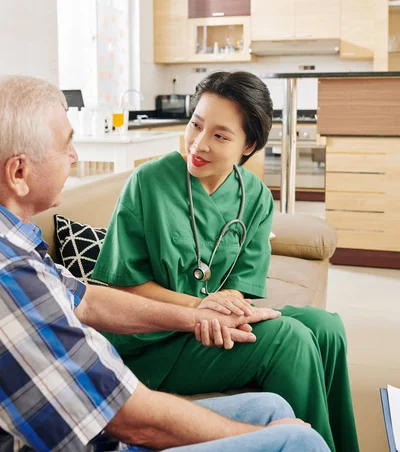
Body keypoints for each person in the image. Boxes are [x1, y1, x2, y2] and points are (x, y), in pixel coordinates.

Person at [0, 74, 331, 452]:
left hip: (166, 352)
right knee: (289, 358)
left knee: (319, 332)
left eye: (221, 135)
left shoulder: (23, 249)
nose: (76, 157)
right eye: (67, 145)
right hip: (137, 373)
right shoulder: (14, 276)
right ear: (20, 173)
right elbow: (131, 421)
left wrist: (205, 313)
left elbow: (86, 299)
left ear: (248, 145)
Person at [93, 71, 359, 452]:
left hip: (208, 331)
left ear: (248, 145)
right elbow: (123, 285)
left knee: (326, 326)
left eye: (220, 135)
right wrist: (202, 307)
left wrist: (227, 307)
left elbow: (242, 286)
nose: (198, 144)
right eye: (196, 125)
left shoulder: (255, 196)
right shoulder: (148, 183)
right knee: (288, 339)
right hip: (151, 343)